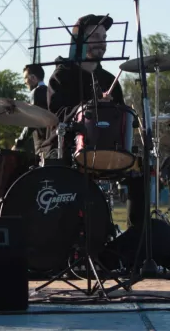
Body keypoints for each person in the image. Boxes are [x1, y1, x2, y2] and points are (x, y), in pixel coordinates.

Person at [42, 14, 145, 229]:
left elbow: (120, 123)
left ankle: (135, 239)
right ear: (80, 41)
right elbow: (55, 114)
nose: (102, 40)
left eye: (104, 36)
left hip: (106, 151)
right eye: (95, 35)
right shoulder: (62, 75)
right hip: (67, 150)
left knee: (139, 171)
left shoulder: (110, 81)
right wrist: (89, 107)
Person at [12, 63, 49, 156]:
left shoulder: (36, 92)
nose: (25, 82)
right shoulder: (48, 91)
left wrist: (18, 143)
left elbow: (32, 120)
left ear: (33, 77)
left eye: (25, 78)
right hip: (51, 142)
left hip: (42, 145)